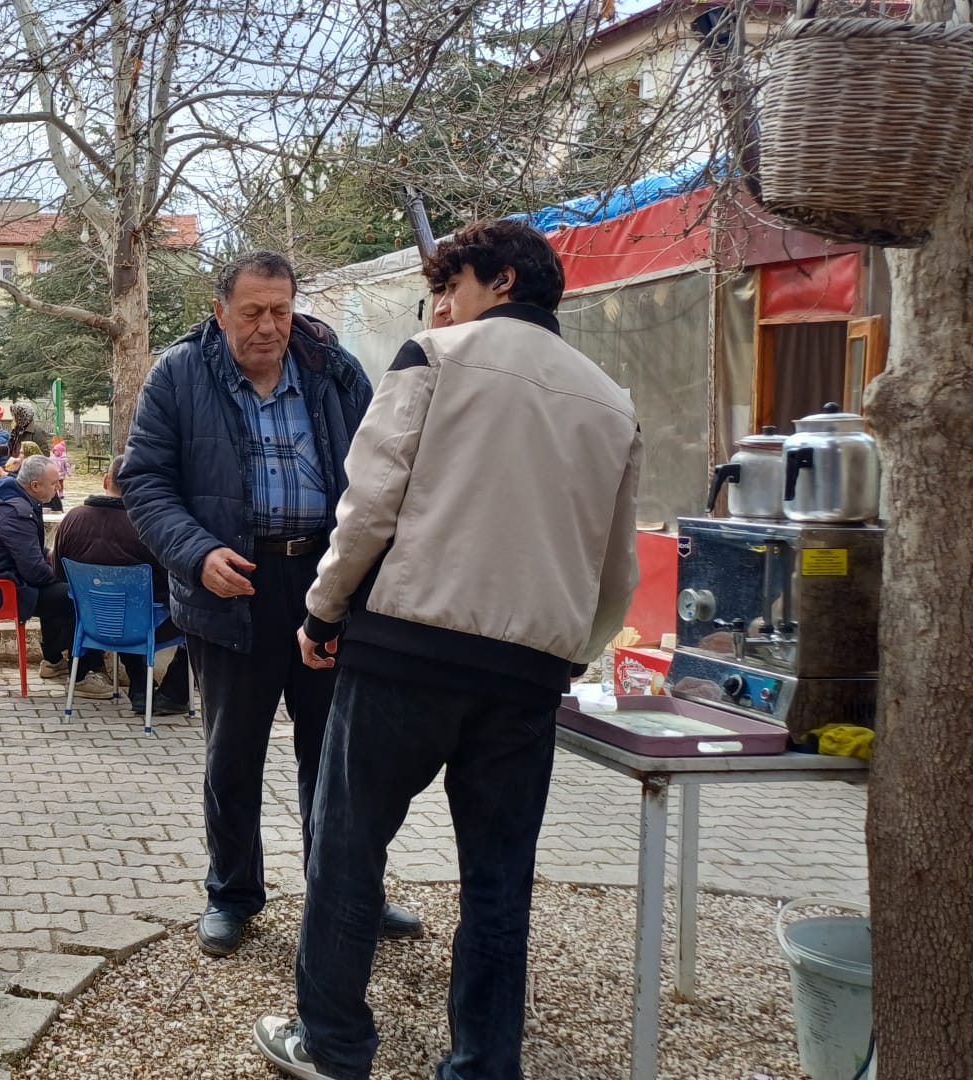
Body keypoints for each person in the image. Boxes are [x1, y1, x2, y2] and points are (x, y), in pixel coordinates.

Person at [253, 222, 642, 1080]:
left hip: (407, 651)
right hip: (528, 675)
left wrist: (323, 612)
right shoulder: (612, 400)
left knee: (349, 849)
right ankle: (483, 1063)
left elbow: (369, 506)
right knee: (499, 883)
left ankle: (332, 1044)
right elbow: (617, 561)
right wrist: (578, 646)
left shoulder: (434, 357)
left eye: (450, 287)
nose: (441, 305)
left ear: (501, 281)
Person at [120, 250, 422, 959]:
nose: (268, 326)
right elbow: (145, 482)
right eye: (251, 311)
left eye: (280, 311)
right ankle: (232, 893)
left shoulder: (331, 367)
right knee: (232, 756)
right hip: (234, 585)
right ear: (220, 310)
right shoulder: (178, 375)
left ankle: (351, 890)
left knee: (342, 757)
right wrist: (195, 553)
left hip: (326, 584)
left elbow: (383, 467)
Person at [49, 452, 190, 715]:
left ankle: (141, 687)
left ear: (105, 480)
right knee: (195, 614)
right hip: (145, 626)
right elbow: (171, 582)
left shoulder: (72, 520)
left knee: (126, 606)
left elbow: (59, 573)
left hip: (90, 623)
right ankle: (172, 693)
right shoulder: (149, 528)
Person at [0, 457, 112, 697]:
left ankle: (52, 661)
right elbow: (36, 572)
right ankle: (83, 675)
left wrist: (55, 557)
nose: (58, 488)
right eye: (54, 483)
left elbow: (28, 551)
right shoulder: (16, 513)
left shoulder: (7, 498)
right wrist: (69, 574)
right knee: (76, 596)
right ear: (35, 486)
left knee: (56, 593)